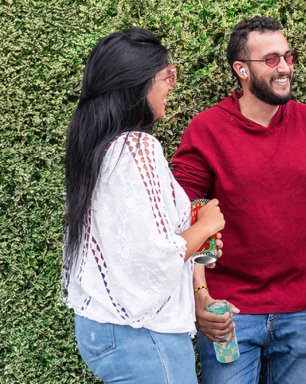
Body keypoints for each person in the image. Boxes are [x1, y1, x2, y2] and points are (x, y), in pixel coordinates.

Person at [171, 16, 306, 384]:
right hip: (229, 313)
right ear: (242, 70)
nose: (285, 67)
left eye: (289, 56)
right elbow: (185, 217)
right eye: (271, 60)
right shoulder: (206, 129)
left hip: (297, 311)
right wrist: (200, 294)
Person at [61, 28, 225, 383]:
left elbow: (131, 244)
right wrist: (206, 225)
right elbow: (152, 256)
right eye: (167, 76)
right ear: (136, 82)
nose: (172, 86)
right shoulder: (137, 147)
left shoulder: (100, 147)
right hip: (144, 335)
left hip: (103, 329)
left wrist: (192, 234)